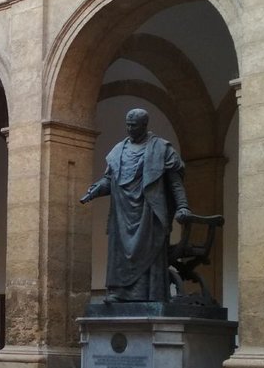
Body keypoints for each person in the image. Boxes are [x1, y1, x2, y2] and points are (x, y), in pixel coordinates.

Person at [80, 108, 189, 302]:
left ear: (144, 125)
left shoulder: (162, 148)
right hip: (122, 212)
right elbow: (110, 180)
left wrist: (182, 206)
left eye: (134, 125)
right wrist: (96, 190)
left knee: (150, 253)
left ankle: (151, 296)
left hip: (149, 212)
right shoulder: (118, 150)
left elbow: (175, 182)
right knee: (119, 255)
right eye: (128, 125)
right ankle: (119, 294)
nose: (129, 128)